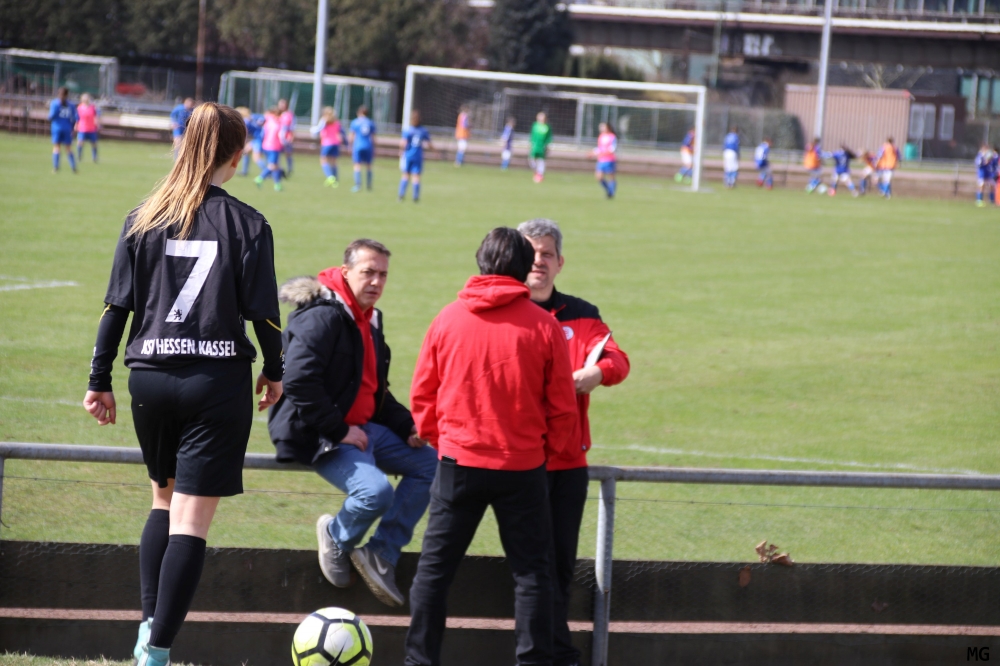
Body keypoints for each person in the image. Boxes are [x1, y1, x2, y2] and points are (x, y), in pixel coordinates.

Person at [82, 102, 284, 666]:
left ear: (182, 144)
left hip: (149, 379)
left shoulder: (142, 217)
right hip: (214, 383)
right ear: (237, 155)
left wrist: (99, 379)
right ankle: (156, 652)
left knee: (162, 500)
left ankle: (148, 627)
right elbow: (265, 316)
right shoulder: (249, 223)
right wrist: (275, 372)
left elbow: (115, 307)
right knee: (191, 522)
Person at [404, 228, 580, 666]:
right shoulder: (544, 325)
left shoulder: (447, 318)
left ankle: (419, 661)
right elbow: (563, 407)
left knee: (434, 573)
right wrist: (543, 454)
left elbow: (423, 394)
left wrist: (444, 442)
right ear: (523, 267)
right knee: (532, 575)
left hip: (459, 462)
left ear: (481, 262)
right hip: (522, 467)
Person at [268, 239, 438, 607]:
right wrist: (340, 430)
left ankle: (380, 553)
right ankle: (336, 535)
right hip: (320, 433)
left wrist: (408, 427)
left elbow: (375, 391)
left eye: (383, 274)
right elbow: (298, 381)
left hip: (362, 429)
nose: (376, 281)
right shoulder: (323, 317)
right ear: (345, 272)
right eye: (368, 272)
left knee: (432, 465)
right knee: (375, 493)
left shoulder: (370, 319)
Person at [518, 219, 630, 666]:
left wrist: (597, 373)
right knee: (531, 566)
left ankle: (551, 651)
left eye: (547, 254)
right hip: (520, 463)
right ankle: (547, 653)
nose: (539, 262)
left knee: (561, 562)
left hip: (567, 464)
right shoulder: (507, 311)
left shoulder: (583, 314)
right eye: (531, 254)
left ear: (560, 262)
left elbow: (618, 359)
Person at [399, 109, 432, 203]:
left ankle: (401, 195)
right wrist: (435, 151)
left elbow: (403, 143)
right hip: (418, 156)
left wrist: (401, 150)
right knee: (416, 176)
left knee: (406, 175)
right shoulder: (423, 131)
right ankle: (415, 197)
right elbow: (429, 144)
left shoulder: (408, 130)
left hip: (408, 156)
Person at [311, 106, 346, 188]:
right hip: (336, 143)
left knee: (323, 160)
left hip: (327, 143)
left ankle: (330, 177)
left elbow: (318, 129)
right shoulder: (337, 122)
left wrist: (312, 130)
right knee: (334, 162)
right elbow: (342, 132)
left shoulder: (324, 121)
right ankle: (335, 181)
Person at [255, 108, 286, 192]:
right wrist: (284, 143)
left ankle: (277, 185)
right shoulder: (278, 123)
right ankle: (260, 178)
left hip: (266, 145)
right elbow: (281, 135)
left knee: (276, 166)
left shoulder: (268, 121)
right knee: (273, 166)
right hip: (274, 146)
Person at [49, 87, 77, 174]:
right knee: (68, 148)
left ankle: (56, 167)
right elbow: (74, 118)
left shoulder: (55, 103)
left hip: (56, 128)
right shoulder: (71, 105)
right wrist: (72, 128)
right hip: (67, 128)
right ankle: (73, 167)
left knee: (56, 147)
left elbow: (51, 116)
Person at [349, 106, 376, 193]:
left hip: (358, 146)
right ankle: (369, 185)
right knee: (369, 165)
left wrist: (350, 145)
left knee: (357, 165)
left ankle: (358, 185)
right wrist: (374, 147)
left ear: (359, 113)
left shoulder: (355, 122)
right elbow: (373, 137)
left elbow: (351, 136)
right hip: (368, 145)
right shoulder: (370, 122)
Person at [237, 107, 265, 177]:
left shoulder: (245, 121)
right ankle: (244, 171)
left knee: (256, 158)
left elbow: (245, 134)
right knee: (246, 152)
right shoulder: (253, 116)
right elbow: (264, 118)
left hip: (258, 139)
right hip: (257, 139)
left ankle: (267, 172)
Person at [592, 122, 618, 199]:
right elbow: (599, 148)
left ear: (608, 128)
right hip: (601, 160)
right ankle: (609, 190)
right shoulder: (601, 136)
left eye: (603, 127)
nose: (601, 128)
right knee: (599, 177)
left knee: (611, 177)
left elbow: (612, 149)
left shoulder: (612, 137)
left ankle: (611, 193)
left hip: (609, 160)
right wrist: (592, 153)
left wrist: (603, 154)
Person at [75, 93, 100, 164]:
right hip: (82, 128)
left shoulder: (93, 107)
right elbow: (77, 118)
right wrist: (76, 125)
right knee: (80, 142)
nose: (86, 99)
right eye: (84, 98)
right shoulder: (79, 108)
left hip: (91, 128)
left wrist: (97, 124)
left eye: (87, 98)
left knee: (94, 143)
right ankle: (79, 156)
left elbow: (96, 116)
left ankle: (95, 157)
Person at [530, 112, 552, 184]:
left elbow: (548, 138)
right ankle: (536, 172)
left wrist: (548, 147)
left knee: (541, 161)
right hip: (535, 146)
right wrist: (531, 144)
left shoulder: (547, 127)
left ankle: (540, 175)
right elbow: (532, 136)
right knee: (532, 160)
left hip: (542, 147)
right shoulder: (535, 125)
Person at [974, 143, 996, 207]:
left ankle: (992, 200)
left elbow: (993, 164)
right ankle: (979, 200)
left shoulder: (990, 156)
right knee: (982, 186)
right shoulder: (980, 156)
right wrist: (984, 162)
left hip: (989, 174)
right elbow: (978, 164)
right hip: (982, 174)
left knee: (992, 186)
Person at [278, 98, 296, 177]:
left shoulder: (289, 115)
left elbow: (292, 126)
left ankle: (289, 169)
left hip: (286, 137)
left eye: (283, 104)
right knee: (276, 154)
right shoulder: (277, 114)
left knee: (288, 154)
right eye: (280, 104)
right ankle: (279, 170)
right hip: (277, 137)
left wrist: (291, 136)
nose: (281, 106)